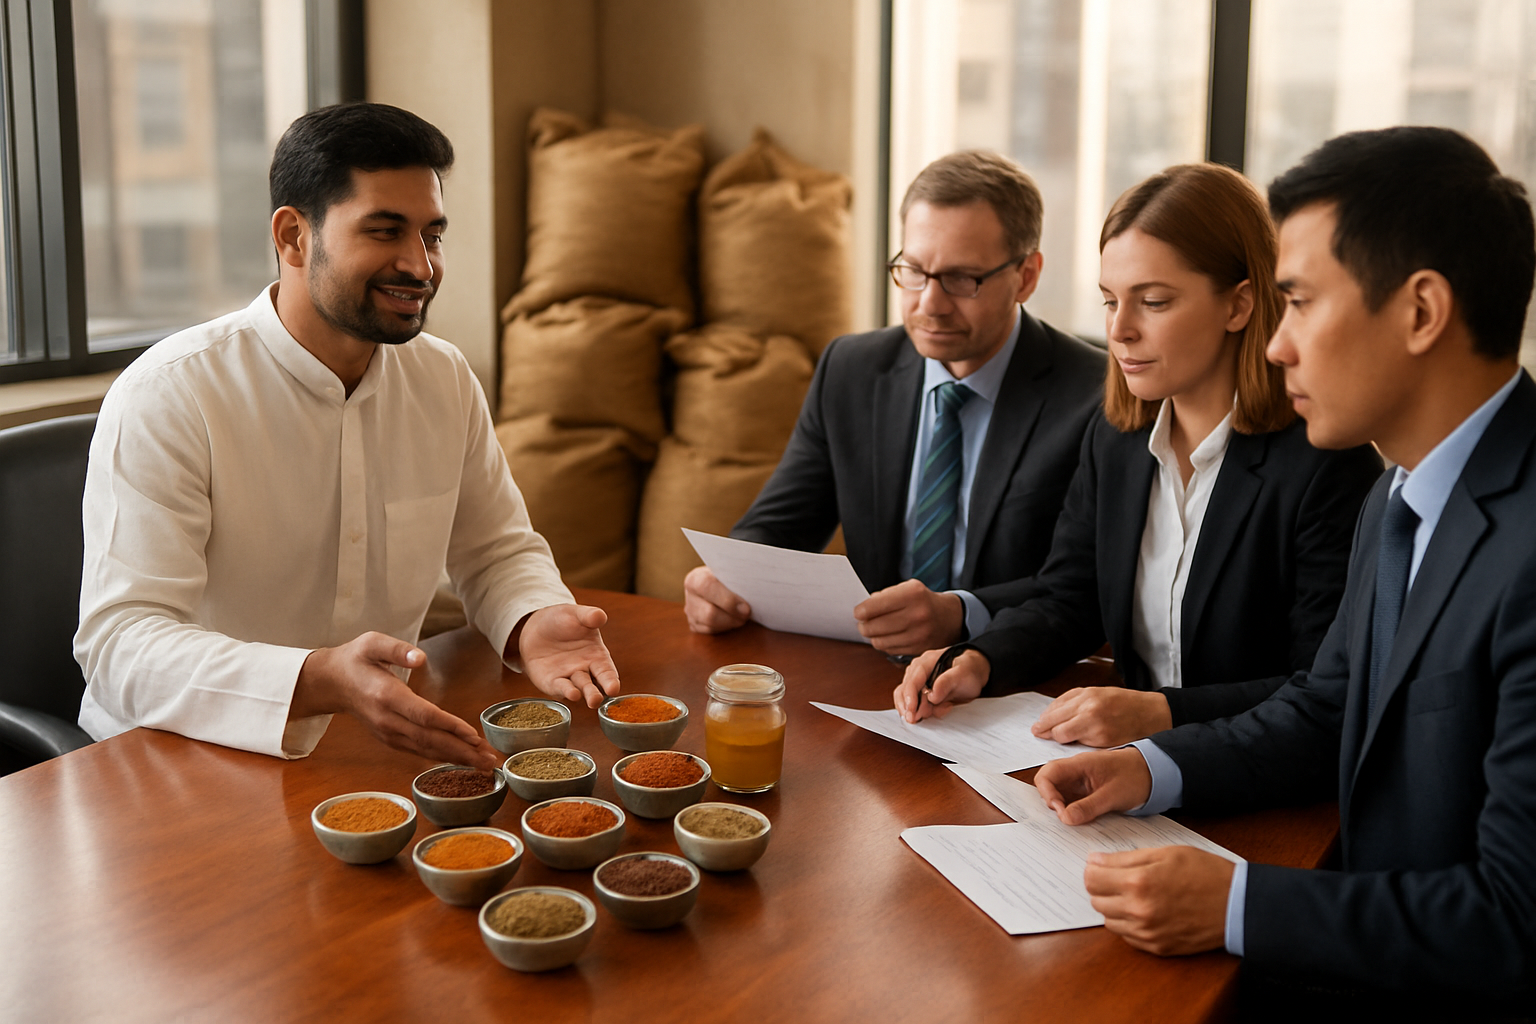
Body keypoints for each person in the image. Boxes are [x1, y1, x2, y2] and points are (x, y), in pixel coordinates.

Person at [1032, 127, 1536, 1006]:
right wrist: (1153, 766)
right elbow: (1326, 707)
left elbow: (1513, 919)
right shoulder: (1400, 496)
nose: (1275, 345)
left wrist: (1236, 904)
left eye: (1299, 301)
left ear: (1421, 312)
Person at [74, 104, 620, 769]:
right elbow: (119, 647)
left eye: (433, 235)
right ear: (295, 237)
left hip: (366, 752)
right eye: (385, 231)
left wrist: (535, 618)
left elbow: (495, 549)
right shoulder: (172, 393)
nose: (420, 266)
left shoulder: (442, 377)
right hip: (174, 761)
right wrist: (318, 679)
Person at [893, 164, 1382, 746]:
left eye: (1152, 301)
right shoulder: (1118, 438)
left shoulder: (1325, 463)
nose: (1120, 330)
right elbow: (1069, 599)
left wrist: (1160, 714)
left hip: (1256, 786)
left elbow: (1321, 692)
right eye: (1108, 301)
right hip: (1124, 769)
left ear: (1239, 306)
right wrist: (979, 660)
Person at [684, 150, 1105, 655]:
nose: (929, 303)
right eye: (914, 270)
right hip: (871, 672)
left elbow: (1089, 585)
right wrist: (729, 578)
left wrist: (961, 612)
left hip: (1020, 678)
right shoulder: (852, 369)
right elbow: (780, 524)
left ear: (1027, 276)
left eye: (962, 278)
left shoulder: (1096, 395)